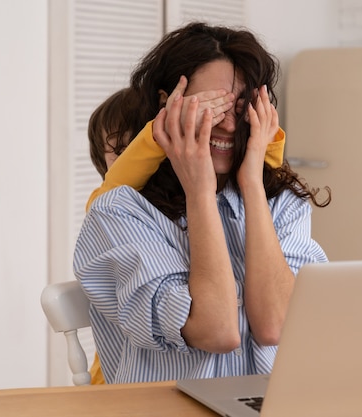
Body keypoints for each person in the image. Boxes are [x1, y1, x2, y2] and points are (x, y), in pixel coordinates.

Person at [74, 21, 331, 384]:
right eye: (213, 107)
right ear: (167, 106)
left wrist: (253, 186)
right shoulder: (119, 211)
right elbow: (217, 331)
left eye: (241, 109)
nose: (228, 125)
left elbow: (276, 325)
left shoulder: (282, 204)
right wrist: (199, 191)